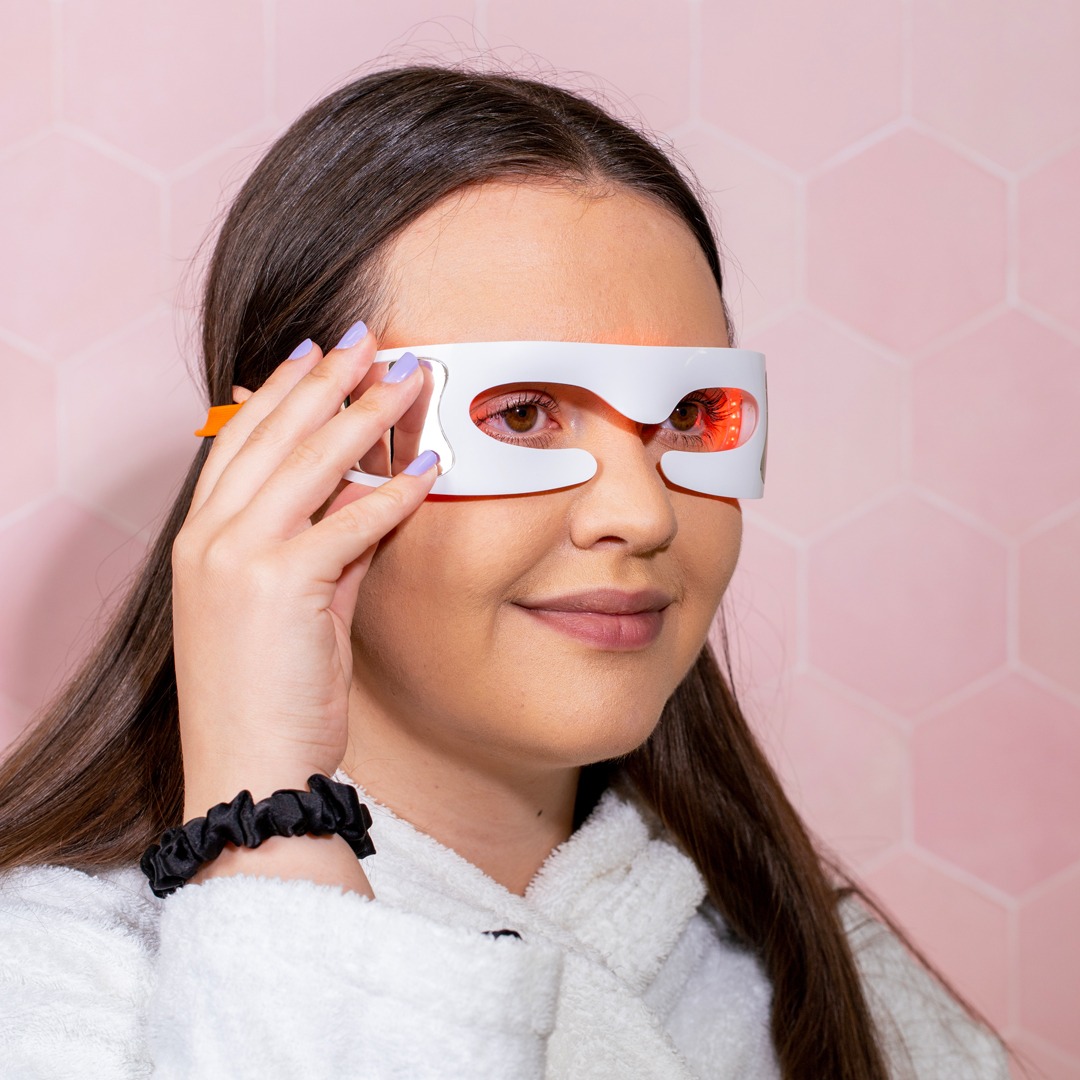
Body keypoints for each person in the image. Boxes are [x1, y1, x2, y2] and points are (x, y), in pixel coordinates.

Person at [0, 64, 1008, 1079]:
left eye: (688, 416)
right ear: (289, 453)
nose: (643, 513)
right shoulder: (52, 988)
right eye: (521, 414)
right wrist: (273, 829)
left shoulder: (835, 984)